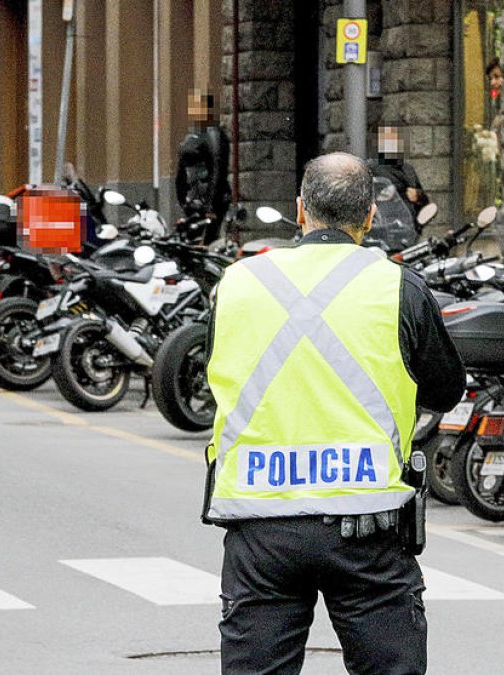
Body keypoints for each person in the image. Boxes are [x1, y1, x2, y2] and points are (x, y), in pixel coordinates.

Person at [203, 152, 465, 674]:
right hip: (367, 526)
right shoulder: (399, 287)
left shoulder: (236, 284)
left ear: (301, 211)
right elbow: (445, 388)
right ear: (369, 216)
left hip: (260, 522)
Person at [176, 89, 231, 245]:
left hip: (206, 199)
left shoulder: (213, 134)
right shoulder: (194, 134)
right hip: (192, 199)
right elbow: (182, 168)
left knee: (205, 242)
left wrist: (211, 205)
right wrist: (183, 198)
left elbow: (218, 169)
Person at [370, 125, 430, 221]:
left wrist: (419, 196)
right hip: (385, 226)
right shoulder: (373, 168)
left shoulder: (408, 169)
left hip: (409, 227)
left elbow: (424, 201)